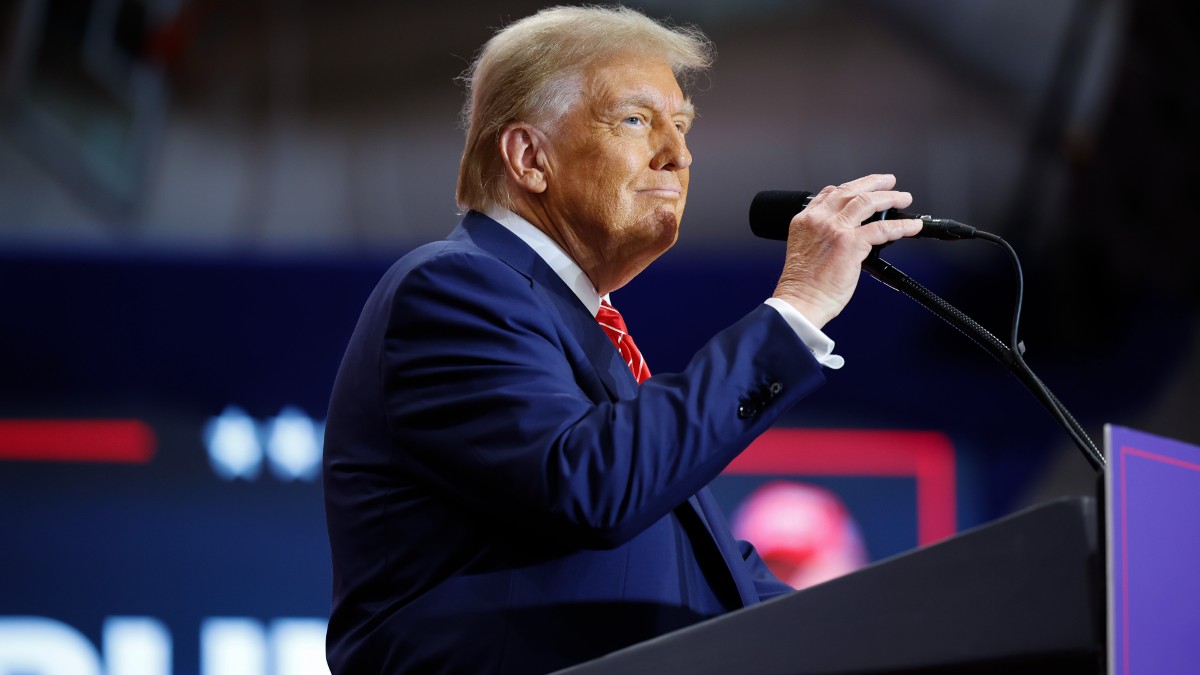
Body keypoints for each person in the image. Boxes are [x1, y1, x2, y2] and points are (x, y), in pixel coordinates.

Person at [321, 5, 921, 673]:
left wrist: (897, 637)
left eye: (682, 125)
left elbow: (711, 576)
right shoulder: (454, 289)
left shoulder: (574, 325)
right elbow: (591, 484)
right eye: (637, 120)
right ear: (529, 157)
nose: (679, 154)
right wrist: (798, 307)